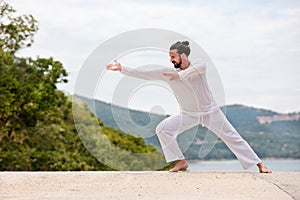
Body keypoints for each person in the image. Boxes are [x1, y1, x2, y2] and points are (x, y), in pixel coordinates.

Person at [106, 41, 271, 173]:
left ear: (183, 55)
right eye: (169, 57)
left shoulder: (199, 65)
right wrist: (122, 68)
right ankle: (181, 161)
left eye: (173, 57)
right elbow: (147, 74)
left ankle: (259, 164)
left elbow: (193, 71)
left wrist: (178, 75)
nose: (170, 60)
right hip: (188, 114)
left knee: (232, 137)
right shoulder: (168, 72)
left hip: (210, 112)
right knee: (163, 129)